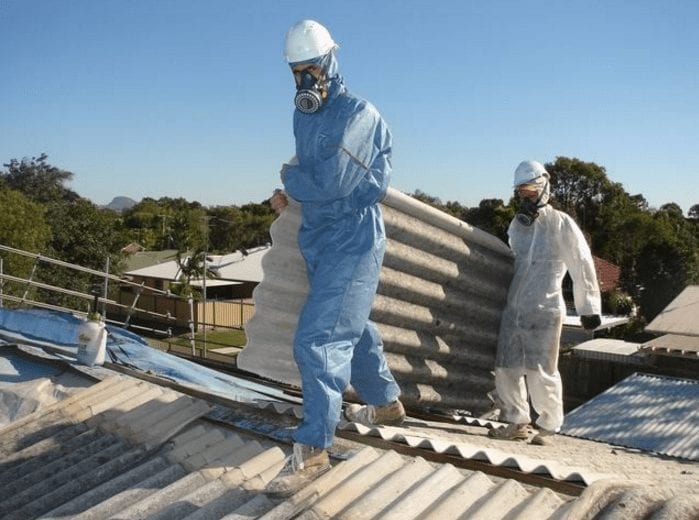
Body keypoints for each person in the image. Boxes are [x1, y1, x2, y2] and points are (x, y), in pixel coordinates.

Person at [266, 19, 404, 496]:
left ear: (330, 61)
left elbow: (331, 182)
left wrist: (291, 179)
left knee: (319, 339)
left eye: (311, 68)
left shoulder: (357, 113)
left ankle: (314, 451)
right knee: (352, 324)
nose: (304, 79)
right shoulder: (304, 115)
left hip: (353, 237)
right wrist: (293, 192)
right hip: (319, 235)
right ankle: (386, 402)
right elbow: (312, 178)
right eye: (296, 71)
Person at [488, 160, 601, 446]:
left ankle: (549, 426)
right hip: (515, 308)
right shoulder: (518, 225)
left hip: (545, 307)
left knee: (541, 370)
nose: (527, 197)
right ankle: (517, 422)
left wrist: (589, 308)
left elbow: (582, 264)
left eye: (531, 190)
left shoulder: (561, 223)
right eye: (522, 192)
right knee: (506, 367)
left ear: (545, 186)